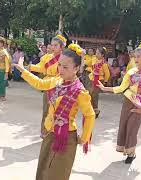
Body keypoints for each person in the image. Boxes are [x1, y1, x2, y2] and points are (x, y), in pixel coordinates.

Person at [14, 45, 95, 180]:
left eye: (65, 67)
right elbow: (40, 83)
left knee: (57, 173)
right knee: (43, 168)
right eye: (59, 65)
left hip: (66, 137)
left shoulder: (80, 91)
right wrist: (23, 71)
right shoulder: (57, 80)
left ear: (76, 69)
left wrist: (85, 137)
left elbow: (90, 114)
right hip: (51, 132)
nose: (60, 69)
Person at [97, 44, 141, 164]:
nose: (136, 59)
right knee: (124, 125)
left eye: (139, 56)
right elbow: (121, 88)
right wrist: (105, 88)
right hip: (128, 101)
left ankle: (131, 152)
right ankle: (126, 149)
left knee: (132, 128)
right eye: (135, 56)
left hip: (140, 103)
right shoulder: (131, 72)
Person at [29, 34, 66, 137]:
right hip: (48, 85)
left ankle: (56, 131)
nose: (52, 48)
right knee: (47, 109)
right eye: (52, 45)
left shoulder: (65, 58)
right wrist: (29, 67)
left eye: (55, 45)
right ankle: (45, 131)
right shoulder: (47, 57)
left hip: (60, 86)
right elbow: (41, 68)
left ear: (62, 47)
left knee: (58, 110)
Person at [88, 47, 110, 118]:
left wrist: (105, 82)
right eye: (96, 52)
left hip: (99, 80)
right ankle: (92, 109)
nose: (96, 54)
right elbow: (90, 65)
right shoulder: (94, 59)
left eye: (98, 53)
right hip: (92, 78)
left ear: (102, 55)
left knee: (94, 95)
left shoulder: (104, 64)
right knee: (90, 94)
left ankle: (95, 110)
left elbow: (107, 74)